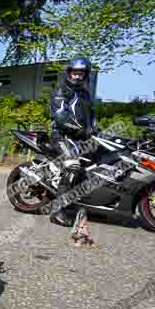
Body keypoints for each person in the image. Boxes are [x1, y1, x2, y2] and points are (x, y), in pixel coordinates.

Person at [48, 56, 98, 227]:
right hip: (62, 136)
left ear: (85, 76)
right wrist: (81, 131)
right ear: (68, 72)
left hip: (81, 138)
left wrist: (96, 132)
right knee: (73, 167)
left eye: (80, 74)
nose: (77, 76)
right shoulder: (61, 90)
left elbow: (92, 118)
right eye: (74, 73)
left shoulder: (85, 94)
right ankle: (57, 211)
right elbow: (61, 118)